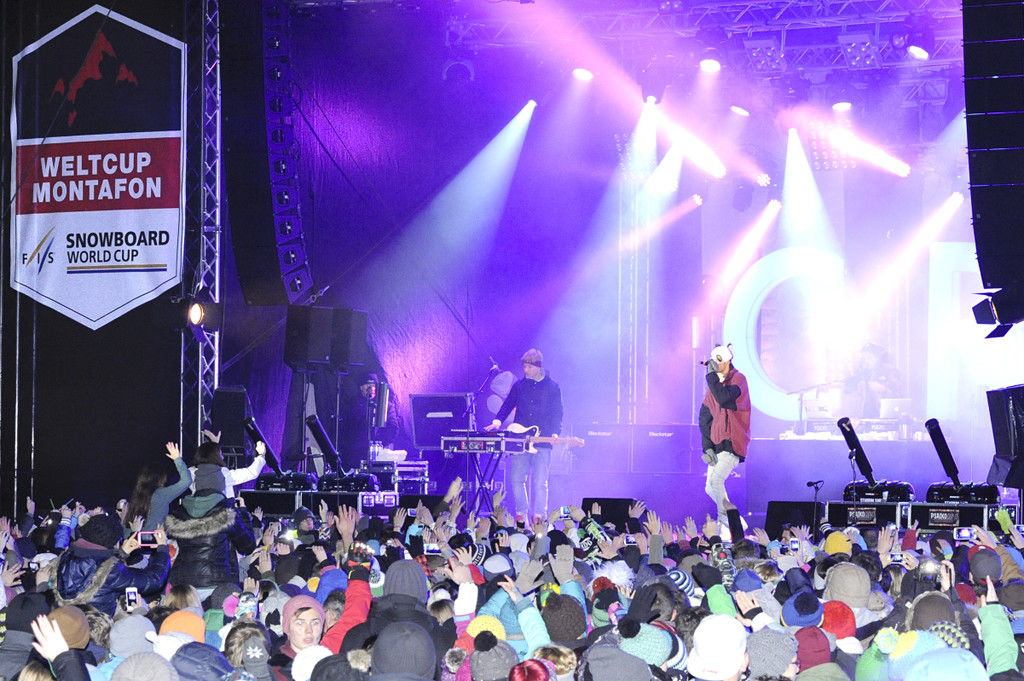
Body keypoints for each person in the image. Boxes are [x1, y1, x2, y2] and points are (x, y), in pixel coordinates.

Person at [485, 348, 564, 522]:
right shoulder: (519, 385)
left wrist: (554, 432)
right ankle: (521, 515)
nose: (526, 370)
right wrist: (497, 421)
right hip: (520, 441)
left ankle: (539, 517)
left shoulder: (553, 387)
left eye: (529, 367)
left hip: (542, 441)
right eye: (524, 367)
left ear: (538, 366)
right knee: (516, 479)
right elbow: (507, 405)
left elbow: (557, 413)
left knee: (540, 482)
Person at [699, 344, 751, 527]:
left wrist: (711, 377)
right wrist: (707, 447)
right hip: (716, 445)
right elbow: (705, 418)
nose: (714, 366)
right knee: (709, 487)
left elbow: (725, 398)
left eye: (718, 362)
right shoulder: (714, 387)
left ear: (727, 361)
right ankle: (738, 524)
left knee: (716, 481)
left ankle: (724, 521)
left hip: (732, 442)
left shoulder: (738, 380)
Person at [123, 443, 193, 533]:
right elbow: (186, 481)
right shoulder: (161, 494)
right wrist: (177, 459)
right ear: (161, 479)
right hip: (154, 539)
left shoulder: (136, 497)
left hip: (134, 540)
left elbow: (127, 528)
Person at [843, 342, 904, 419]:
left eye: (870, 358)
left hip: (885, 418)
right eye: (864, 358)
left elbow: (900, 399)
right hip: (865, 417)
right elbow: (848, 391)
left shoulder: (889, 372)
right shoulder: (863, 374)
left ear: (878, 358)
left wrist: (883, 390)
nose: (866, 361)